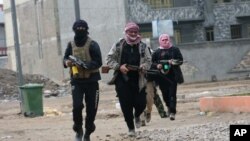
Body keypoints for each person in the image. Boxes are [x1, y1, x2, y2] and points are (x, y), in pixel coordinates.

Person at [105, 22, 151, 136]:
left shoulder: (143, 46)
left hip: (138, 79)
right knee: (126, 105)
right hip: (122, 80)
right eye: (131, 31)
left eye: (135, 32)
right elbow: (109, 58)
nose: (133, 33)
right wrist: (119, 67)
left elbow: (149, 60)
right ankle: (131, 128)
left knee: (141, 103)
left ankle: (137, 116)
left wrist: (143, 67)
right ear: (126, 32)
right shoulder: (118, 45)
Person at [63, 19, 102, 141]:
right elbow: (65, 58)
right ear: (74, 30)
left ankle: (88, 132)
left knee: (92, 109)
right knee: (77, 106)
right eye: (77, 29)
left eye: (82, 29)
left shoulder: (93, 44)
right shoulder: (71, 45)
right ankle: (78, 129)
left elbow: (98, 62)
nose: (80, 31)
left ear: (86, 30)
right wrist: (67, 62)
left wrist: (85, 65)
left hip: (91, 81)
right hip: (77, 81)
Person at [151, 33, 184, 121]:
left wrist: (173, 62)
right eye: (163, 40)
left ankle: (173, 112)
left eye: (167, 39)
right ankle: (169, 107)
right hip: (161, 77)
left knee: (172, 94)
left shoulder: (175, 50)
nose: (165, 41)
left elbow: (180, 60)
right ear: (160, 41)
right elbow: (151, 63)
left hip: (173, 76)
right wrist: (157, 65)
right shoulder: (156, 52)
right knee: (165, 95)